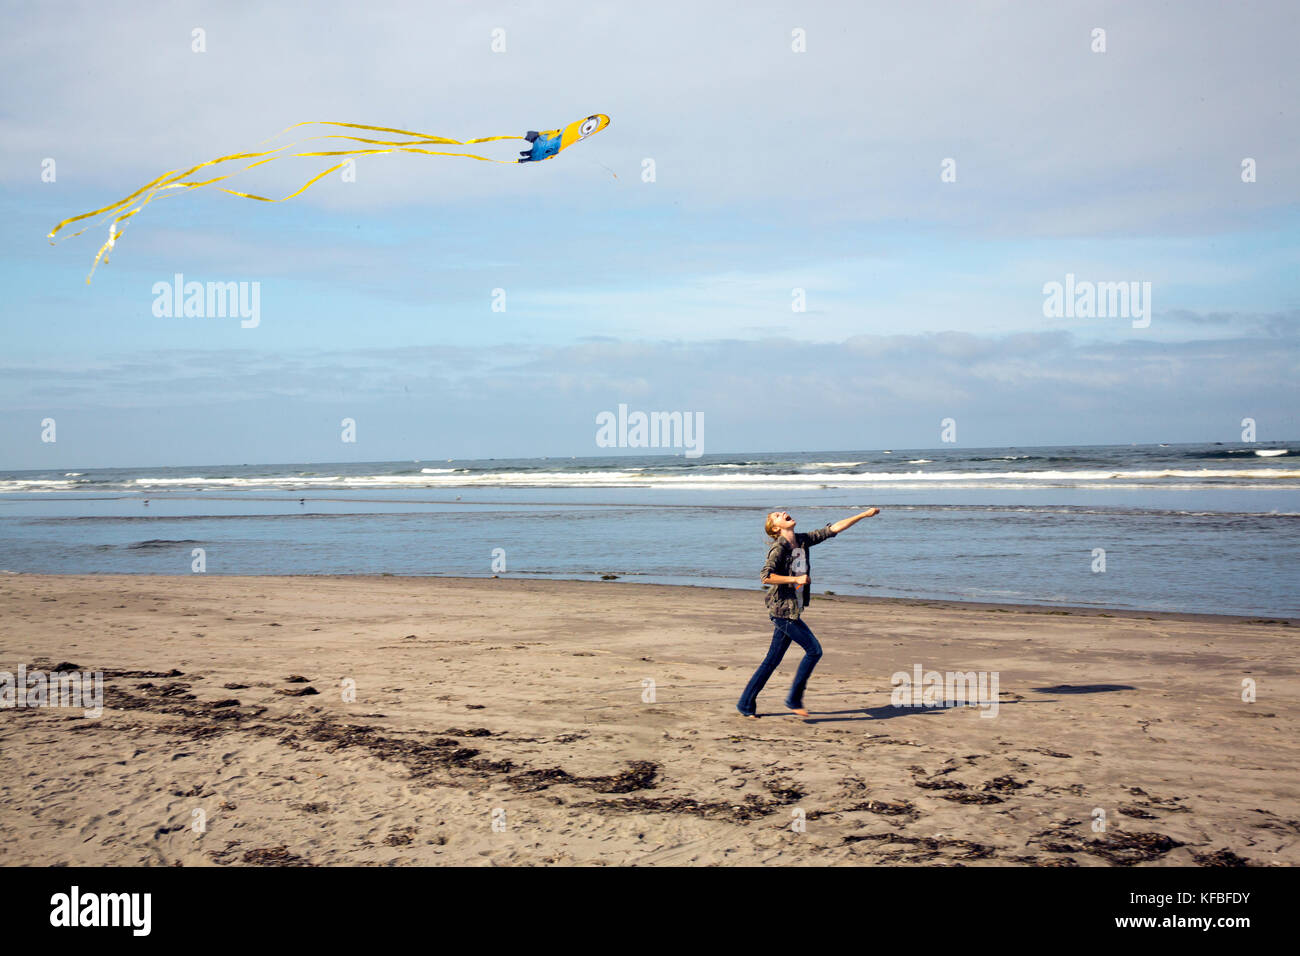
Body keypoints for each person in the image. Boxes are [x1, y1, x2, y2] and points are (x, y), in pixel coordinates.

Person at [737, 508, 879, 718]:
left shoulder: (802, 540)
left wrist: (863, 515)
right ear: (776, 528)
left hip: (792, 609)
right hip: (782, 611)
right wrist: (795, 579)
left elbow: (832, 529)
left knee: (772, 660)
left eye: (782, 511)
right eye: (777, 515)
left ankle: (745, 704)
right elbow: (765, 576)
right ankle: (793, 699)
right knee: (814, 651)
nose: (783, 512)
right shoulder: (779, 548)